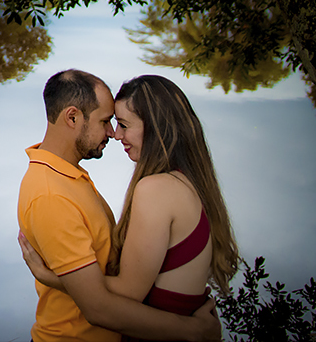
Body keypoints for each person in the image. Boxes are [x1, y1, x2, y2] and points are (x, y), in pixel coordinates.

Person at [20, 74, 239, 341]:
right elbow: (100, 305)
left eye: (122, 124)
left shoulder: (153, 188)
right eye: (107, 122)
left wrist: (50, 277)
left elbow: (124, 291)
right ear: (73, 118)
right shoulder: (51, 193)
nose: (114, 133)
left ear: (156, 126)